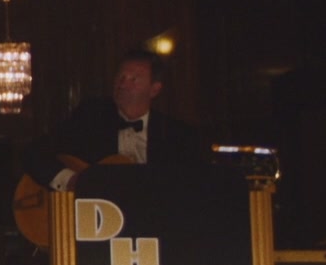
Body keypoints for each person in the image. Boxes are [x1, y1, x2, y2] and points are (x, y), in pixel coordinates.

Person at [25, 50, 207, 190]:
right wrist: (69, 180)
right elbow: (35, 153)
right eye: (121, 77)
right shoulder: (90, 117)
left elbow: (191, 185)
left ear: (154, 89)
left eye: (134, 79)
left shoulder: (177, 135)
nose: (123, 84)